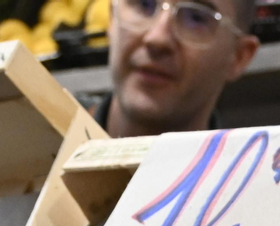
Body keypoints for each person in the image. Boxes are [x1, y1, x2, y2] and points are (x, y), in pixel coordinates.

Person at [98, 0, 261, 136]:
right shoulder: (71, 132)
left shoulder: (251, 175)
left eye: (196, 18)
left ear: (239, 56)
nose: (157, 38)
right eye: (144, 4)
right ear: (112, 17)